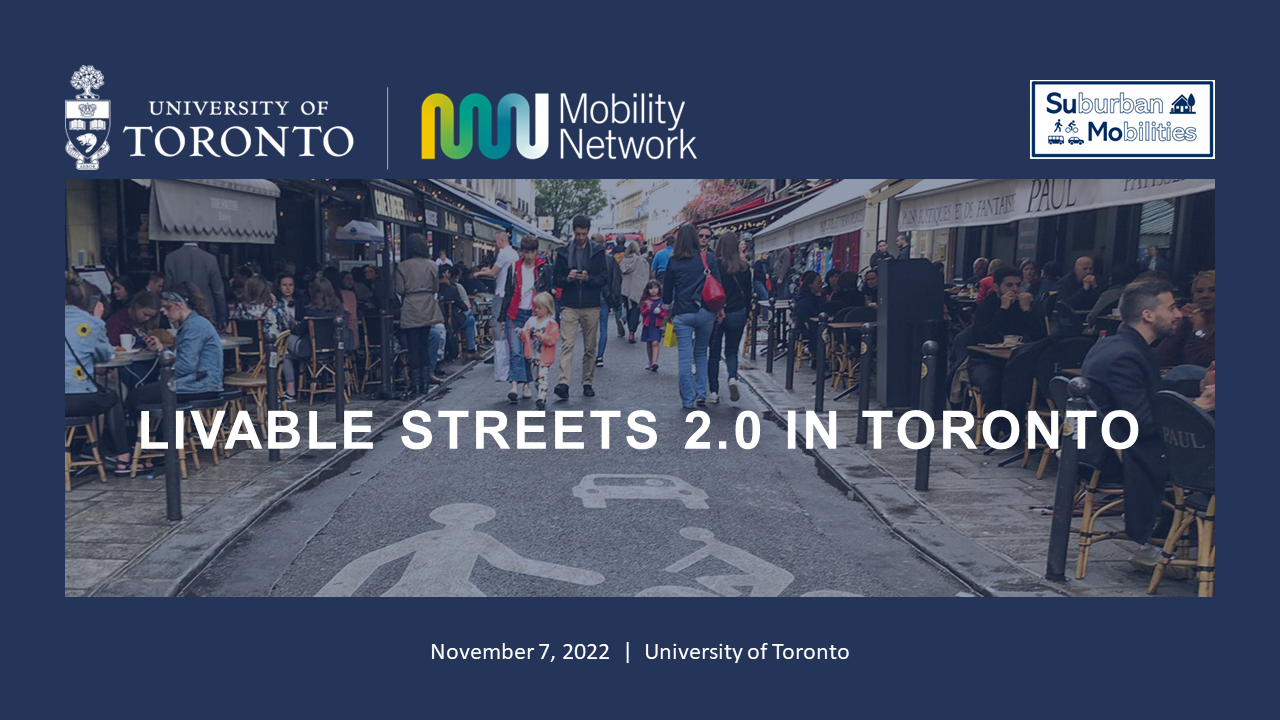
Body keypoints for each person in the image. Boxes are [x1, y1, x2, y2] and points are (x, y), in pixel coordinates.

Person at [1081, 279, 1214, 563]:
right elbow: (1140, 423)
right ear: (1148, 315)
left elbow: (1152, 393)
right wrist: (1197, 406)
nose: (1179, 314)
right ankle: (1185, 548)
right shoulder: (1126, 355)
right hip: (1124, 457)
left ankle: (1175, 541)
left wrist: (1199, 384)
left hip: (1115, 447)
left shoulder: (1121, 345)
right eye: (1172, 308)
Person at [65, 271, 131, 475]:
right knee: (113, 397)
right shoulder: (90, 323)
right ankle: (122, 457)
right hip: (79, 399)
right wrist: (96, 321)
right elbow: (105, 355)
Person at [967, 266, 1046, 414]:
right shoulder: (987, 306)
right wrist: (1002, 310)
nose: (1015, 289)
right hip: (985, 360)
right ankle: (998, 426)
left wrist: (1027, 310)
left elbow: (1040, 337)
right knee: (992, 381)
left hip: (1017, 360)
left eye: (1018, 285)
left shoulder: (1024, 305)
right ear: (997, 287)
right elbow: (985, 337)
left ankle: (1025, 426)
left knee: (1029, 381)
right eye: (1009, 285)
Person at [133, 283, 224, 407]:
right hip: (201, 383)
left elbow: (187, 365)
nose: (164, 312)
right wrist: (161, 349)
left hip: (199, 386)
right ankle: (164, 425)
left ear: (180, 306)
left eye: (167, 307)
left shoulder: (193, 326)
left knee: (137, 396)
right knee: (145, 392)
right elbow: (182, 358)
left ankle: (162, 426)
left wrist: (164, 376)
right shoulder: (193, 323)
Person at [663, 224, 723, 408]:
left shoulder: (674, 261)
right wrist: (720, 309)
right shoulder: (707, 258)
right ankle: (701, 394)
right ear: (696, 239)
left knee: (685, 357)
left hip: (682, 313)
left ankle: (688, 399)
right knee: (701, 353)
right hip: (705, 312)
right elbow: (718, 284)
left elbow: (667, 292)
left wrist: (668, 310)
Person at [553, 216, 607, 400]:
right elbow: (556, 278)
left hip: (591, 304)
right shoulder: (563, 252)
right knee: (567, 344)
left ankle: (587, 381)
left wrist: (588, 278)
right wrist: (567, 279)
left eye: (584, 234)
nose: (581, 237)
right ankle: (563, 383)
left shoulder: (598, 252)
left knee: (590, 346)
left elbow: (603, 278)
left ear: (588, 232)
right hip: (569, 303)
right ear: (573, 232)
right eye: (578, 234)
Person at [395, 234, 446, 393]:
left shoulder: (402, 266)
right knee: (424, 344)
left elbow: (399, 289)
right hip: (427, 305)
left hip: (410, 305)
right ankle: (425, 382)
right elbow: (436, 288)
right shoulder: (432, 265)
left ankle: (415, 383)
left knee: (413, 347)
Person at [502, 236, 551, 402]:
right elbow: (508, 292)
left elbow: (546, 292)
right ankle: (514, 385)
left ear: (536, 252)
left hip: (533, 315)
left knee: (528, 353)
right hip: (514, 313)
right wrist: (502, 316)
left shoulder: (543, 268)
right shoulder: (514, 268)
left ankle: (526, 384)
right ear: (521, 252)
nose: (529, 256)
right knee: (515, 351)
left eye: (532, 252)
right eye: (526, 252)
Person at [708, 230, 752, 404]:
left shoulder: (716, 265)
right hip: (738, 312)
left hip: (719, 312)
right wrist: (747, 313)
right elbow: (748, 294)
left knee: (714, 353)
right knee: (732, 350)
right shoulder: (744, 267)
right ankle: (732, 377)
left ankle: (713, 392)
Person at [477, 231, 518, 375]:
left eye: (495, 241)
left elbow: (493, 273)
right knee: (508, 321)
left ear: (501, 240)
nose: (495, 244)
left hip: (501, 292)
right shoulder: (514, 253)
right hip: (511, 293)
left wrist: (479, 273)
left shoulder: (503, 254)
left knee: (496, 321)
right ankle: (511, 350)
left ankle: (500, 352)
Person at [1156, 270, 1215, 367]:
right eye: (1199, 291)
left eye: (1213, 290)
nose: (1205, 295)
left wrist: (1199, 329)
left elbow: (1200, 362)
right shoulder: (1189, 321)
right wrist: (1180, 322)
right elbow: (1161, 357)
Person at [164, 241, 227, 328]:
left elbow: (168, 289)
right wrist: (222, 317)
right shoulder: (210, 259)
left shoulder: (170, 258)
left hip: (180, 311)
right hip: (206, 310)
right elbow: (218, 291)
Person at [516, 292, 560, 411]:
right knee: (536, 378)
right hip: (532, 355)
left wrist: (542, 337)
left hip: (544, 356)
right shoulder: (531, 320)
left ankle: (541, 397)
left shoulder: (552, 324)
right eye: (535, 307)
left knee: (542, 377)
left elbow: (552, 340)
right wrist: (521, 333)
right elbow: (525, 336)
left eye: (540, 308)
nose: (537, 310)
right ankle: (540, 395)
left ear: (548, 308)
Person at [439, 267, 483, 362]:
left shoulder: (435, 289)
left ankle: (472, 349)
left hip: (440, 319)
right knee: (470, 318)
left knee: (470, 318)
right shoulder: (452, 288)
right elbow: (462, 306)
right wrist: (466, 307)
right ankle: (471, 350)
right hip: (452, 321)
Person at [594, 233, 622, 367]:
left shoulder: (588, 259)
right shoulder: (610, 260)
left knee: (590, 329)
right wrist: (614, 298)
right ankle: (599, 356)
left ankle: (590, 354)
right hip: (604, 296)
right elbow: (616, 280)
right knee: (603, 327)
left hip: (591, 297)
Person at [792, 271, 824, 371]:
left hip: (804, 328)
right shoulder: (807, 299)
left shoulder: (805, 296)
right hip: (809, 330)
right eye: (818, 282)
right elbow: (816, 314)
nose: (821, 285)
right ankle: (820, 357)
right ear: (810, 284)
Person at [619, 241, 647, 343]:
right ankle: (632, 332)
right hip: (636, 289)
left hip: (625, 289)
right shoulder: (641, 261)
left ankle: (625, 322)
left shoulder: (623, 261)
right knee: (635, 310)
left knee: (628, 309)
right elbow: (644, 276)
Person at [640, 280, 667, 371]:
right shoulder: (646, 301)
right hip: (648, 324)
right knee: (649, 343)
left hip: (656, 325)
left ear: (659, 289)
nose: (653, 290)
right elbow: (642, 313)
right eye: (651, 288)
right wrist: (648, 308)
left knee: (655, 342)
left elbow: (664, 314)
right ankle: (650, 361)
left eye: (655, 288)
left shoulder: (661, 301)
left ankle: (655, 362)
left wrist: (659, 313)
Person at [752, 250, 772, 321]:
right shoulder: (758, 263)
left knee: (764, 297)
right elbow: (756, 274)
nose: (767, 255)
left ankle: (762, 315)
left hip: (764, 282)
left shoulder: (767, 263)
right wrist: (764, 276)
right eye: (766, 254)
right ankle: (765, 317)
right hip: (758, 282)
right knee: (765, 297)